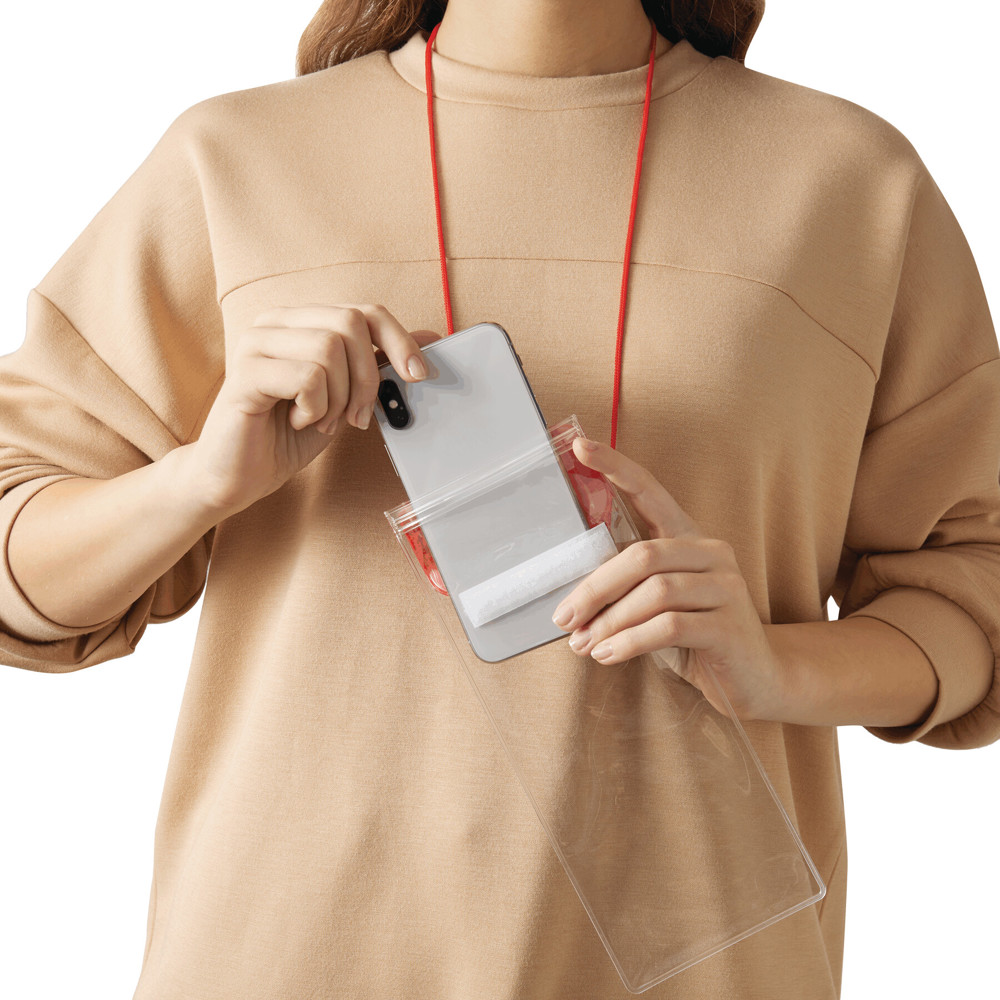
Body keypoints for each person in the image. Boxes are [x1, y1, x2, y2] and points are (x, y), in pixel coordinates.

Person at [1, 0, 998, 996]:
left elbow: (977, 586)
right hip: (289, 954)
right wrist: (199, 482)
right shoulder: (234, 160)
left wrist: (776, 667)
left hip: (700, 964)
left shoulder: (850, 183)